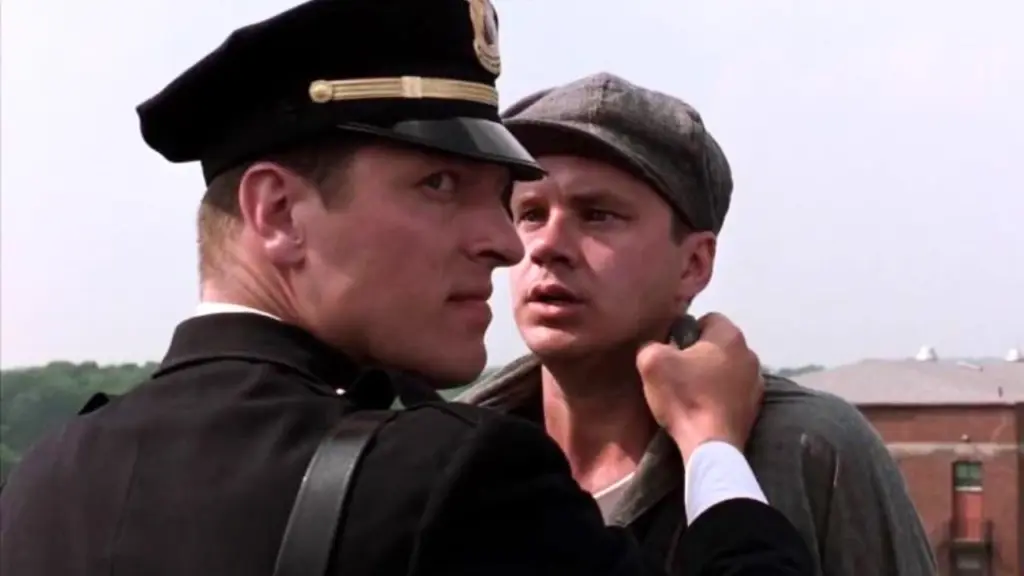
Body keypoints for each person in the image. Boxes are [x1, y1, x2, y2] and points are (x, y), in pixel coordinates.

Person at [0, 2, 814, 576]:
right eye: (439, 185)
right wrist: (712, 448)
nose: (506, 242)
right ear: (277, 212)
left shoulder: (48, 478)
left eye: (500, 199)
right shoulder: (456, 480)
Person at [459, 72, 938, 575]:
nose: (547, 246)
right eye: (530, 214)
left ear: (693, 264)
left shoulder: (806, 452)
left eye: (597, 214)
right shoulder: (459, 460)